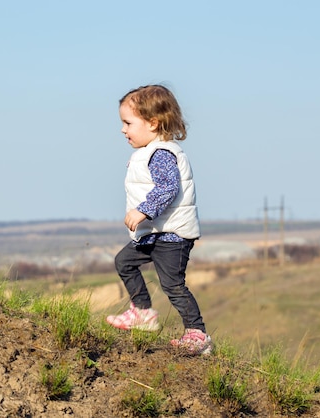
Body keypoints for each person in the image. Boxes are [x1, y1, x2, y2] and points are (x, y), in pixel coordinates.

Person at [106, 84, 213, 355]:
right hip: (154, 233)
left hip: (172, 235)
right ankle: (142, 313)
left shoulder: (162, 153)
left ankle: (197, 335)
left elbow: (168, 187)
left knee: (173, 285)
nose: (123, 129)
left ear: (153, 123)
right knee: (124, 262)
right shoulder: (147, 152)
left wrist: (143, 211)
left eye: (127, 123)